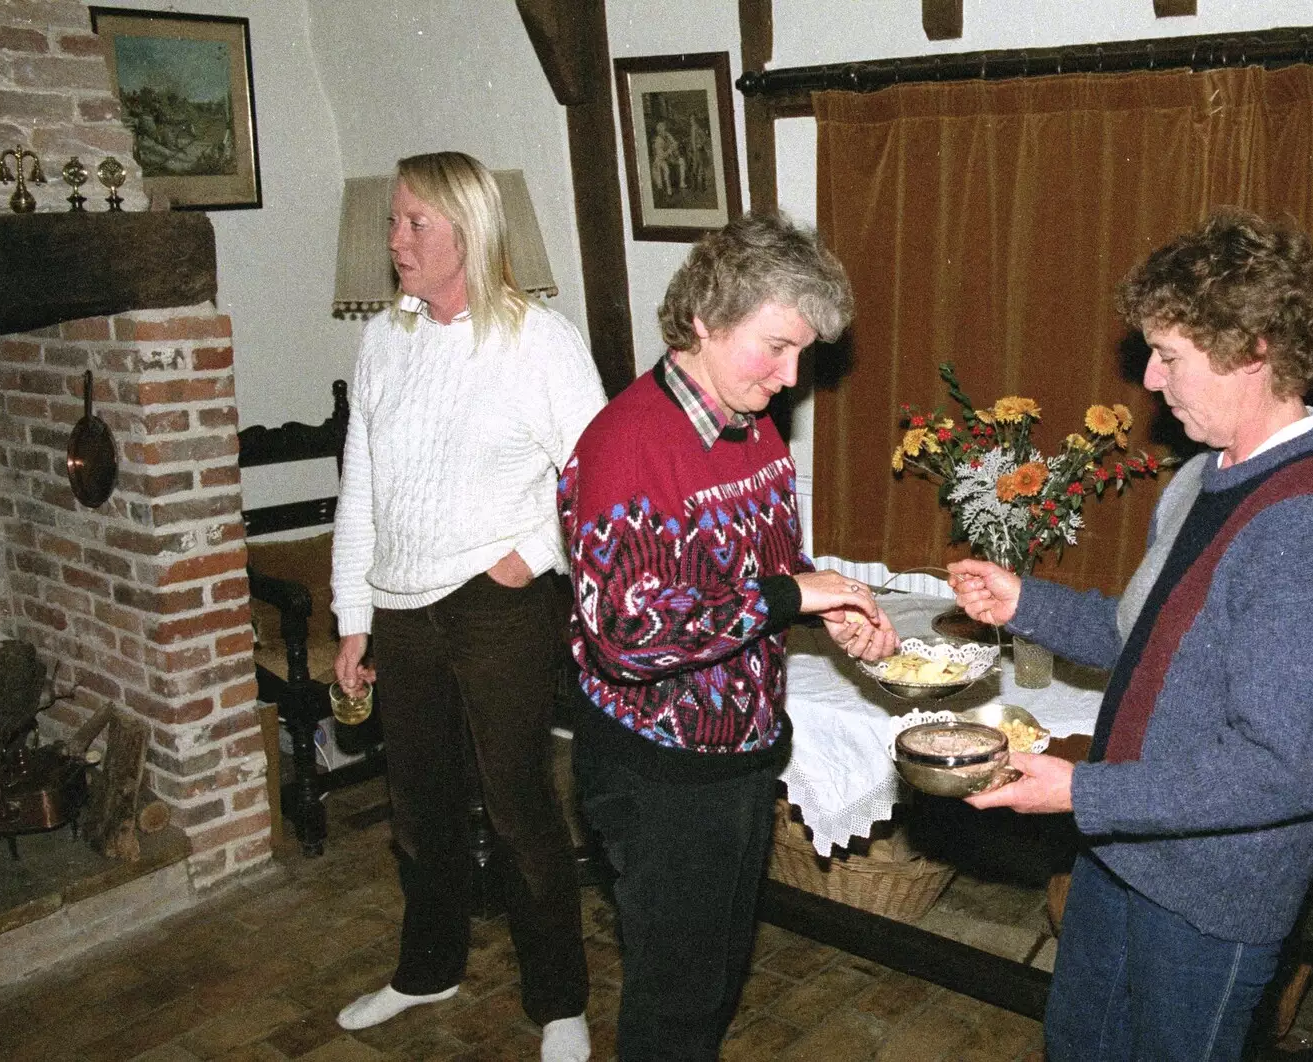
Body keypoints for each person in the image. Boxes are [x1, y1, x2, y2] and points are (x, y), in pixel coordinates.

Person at [947, 209, 1313, 1062]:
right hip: (1126, 852)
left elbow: (1282, 769)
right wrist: (1025, 604)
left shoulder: (1310, 530)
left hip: (1210, 895)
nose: (1152, 383)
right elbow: (1146, 638)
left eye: (1171, 357)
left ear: (1257, 349)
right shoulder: (1205, 476)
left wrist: (1080, 794)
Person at [558, 212, 899, 1061]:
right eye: (775, 347)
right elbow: (627, 635)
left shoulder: (751, 425)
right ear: (705, 318)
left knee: (708, 980)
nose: (789, 378)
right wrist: (792, 594)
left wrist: (833, 601)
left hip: (736, 754)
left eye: (802, 354)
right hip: (658, 770)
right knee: (675, 1000)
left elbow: (770, 563)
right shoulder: (628, 445)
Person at [329, 151, 605, 1061]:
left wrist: (531, 559)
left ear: (469, 233)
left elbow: (598, 482)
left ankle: (559, 1000)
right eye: (394, 222)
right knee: (419, 807)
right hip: (399, 607)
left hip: (497, 608)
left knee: (519, 805)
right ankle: (427, 967)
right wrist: (351, 619)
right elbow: (361, 490)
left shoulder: (540, 339)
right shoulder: (385, 340)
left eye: (416, 224)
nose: (396, 240)